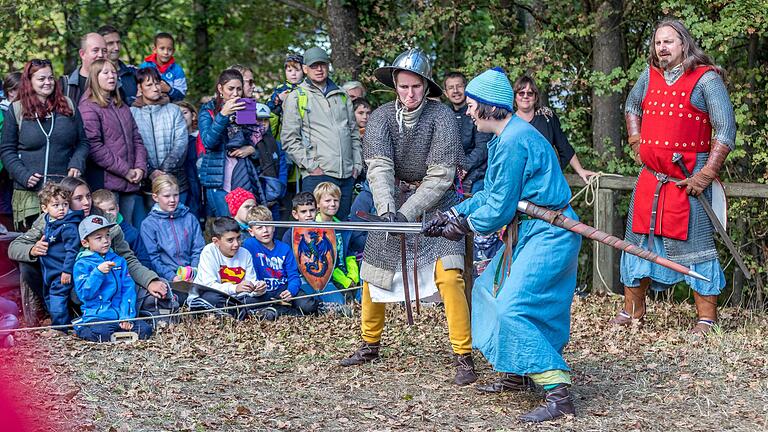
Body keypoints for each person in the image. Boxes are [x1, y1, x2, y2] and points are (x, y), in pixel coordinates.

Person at [423, 67, 581, 422]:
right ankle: (517, 370)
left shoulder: (514, 141)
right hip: (530, 230)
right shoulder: (504, 138)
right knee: (486, 291)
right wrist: (451, 212)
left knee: (513, 307)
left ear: (489, 107)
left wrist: (462, 226)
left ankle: (559, 395)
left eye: (472, 103)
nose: (466, 110)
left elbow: (498, 207)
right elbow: (490, 194)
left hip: (551, 232)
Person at [338, 48, 476, 385]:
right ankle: (370, 344)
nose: (410, 93)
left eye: (416, 87)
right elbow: (380, 168)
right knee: (373, 272)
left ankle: (464, 356)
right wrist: (387, 212)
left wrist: (407, 212)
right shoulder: (382, 117)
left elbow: (442, 175)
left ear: (426, 87)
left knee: (450, 276)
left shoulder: (442, 117)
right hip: (392, 202)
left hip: (436, 206)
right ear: (395, 86)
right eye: (403, 87)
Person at [611, 19, 736, 334]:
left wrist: (706, 174)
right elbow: (631, 106)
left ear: (684, 44)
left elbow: (726, 130)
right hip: (651, 178)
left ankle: (706, 318)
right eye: (657, 43)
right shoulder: (649, 76)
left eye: (668, 42)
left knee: (697, 249)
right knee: (637, 242)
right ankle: (633, 309)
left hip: (687, 183)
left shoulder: (706, 79)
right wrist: (637, 141)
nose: (662, 48)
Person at [9, 176, 171, 326]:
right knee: (27, 265)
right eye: (78, 198)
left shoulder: (105, 222)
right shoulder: (49, 221)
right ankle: (51, 311)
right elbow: (15, 246)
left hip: (97, 287)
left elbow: (127, 259)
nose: (86, 202)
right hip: (60, 282)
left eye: (88, 196)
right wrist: (32, 249)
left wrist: (150, 280)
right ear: (66, 201)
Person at [0, 59, 89, 231]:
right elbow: (6, 150)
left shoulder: (68, 106)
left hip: (63, 192)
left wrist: (77, 162)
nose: (47, 82)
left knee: (64, 242)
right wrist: (23, 175)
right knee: (35, 245)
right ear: (29, 81)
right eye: (41, 79)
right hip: (29, 194)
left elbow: (83, 142)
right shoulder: (16, 109)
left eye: (50, 78)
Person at [280, 46, 362, 220]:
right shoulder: (297, 96)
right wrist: (312, 167)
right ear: (305, 69)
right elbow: (289, 139)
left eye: (322, 64)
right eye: (314, 65)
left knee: (341, 232)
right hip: (319, 175)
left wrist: (356, 166)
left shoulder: (342, 95)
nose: (319, 69)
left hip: (347, 175)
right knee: (316, 232)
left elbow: (353, 133)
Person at [79, 59, 148, 227]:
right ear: (95, 77)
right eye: (105, 72)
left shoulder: (121, 105)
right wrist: (126, 171)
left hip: (130, 181)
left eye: (113, 72)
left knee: (127, 230)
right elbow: (94, 146)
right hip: (106, 182)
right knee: (109, 230)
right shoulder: (88, 107)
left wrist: (140, 167)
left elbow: (136, 138)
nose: (112, 76)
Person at [73, 214, 153, 342]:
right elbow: (85, 294)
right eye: (98, 238)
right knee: (102, 333)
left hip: (120, 316)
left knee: (145, 330)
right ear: (85, 242)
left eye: (107, 235)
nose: (105, 241)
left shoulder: (119, 261)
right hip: (97, 317)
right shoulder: (82, 264)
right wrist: (98, 273)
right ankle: (81, 326)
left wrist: (126, 316)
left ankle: (119, 329)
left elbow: (128, 289)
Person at [198, 69, 258, 217]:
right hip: (218, 178)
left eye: (239, 89)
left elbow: (257, 140)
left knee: (246, 223)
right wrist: (223, 115)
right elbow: (208, 143)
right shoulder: (208, 111)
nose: (235, 93)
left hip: (243, 175)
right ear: (220, 89)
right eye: (230, 89)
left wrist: (252, 149)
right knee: (226, 225)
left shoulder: (246, 107)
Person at [513, 76, 595, 184]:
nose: (525, 96)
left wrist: (580, 170)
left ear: (535, 97)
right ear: (515, 97)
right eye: (521, 93)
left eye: (530, 93)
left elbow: (564, 146)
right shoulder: (509, 123)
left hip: (546, 182)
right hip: (518, 183)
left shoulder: (547, 118)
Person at [243, 205, 319, 318]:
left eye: (268, 226)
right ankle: (288, 312)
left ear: (273, 226)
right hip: (262, 293)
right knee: (247, 303)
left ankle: (285, 310)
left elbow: (293, 276)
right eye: (259, 228)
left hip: (283, 289)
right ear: (251, 231)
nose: (265, 230)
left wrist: (291, 291)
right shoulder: (248, 245)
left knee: (308, 305)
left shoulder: (284, 248)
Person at [130, 67, 189, 207]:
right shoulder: (131, 113)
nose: (156, 88)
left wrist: (165, 170)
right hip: (146, 184)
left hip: (175, 180)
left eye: (157, 83)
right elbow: (132, 145)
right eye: (149, 85)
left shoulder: (173, 110)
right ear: (140, 87)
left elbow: (181, 142)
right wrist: (150, 171)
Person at [190, 216, 269, 319]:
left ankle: (237, 313)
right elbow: (209, 285)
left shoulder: (245, 254)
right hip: (212, 296)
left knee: (266, 296)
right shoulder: (209, 252)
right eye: (230, 240)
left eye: (238, 238)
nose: (236, 244)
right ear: (216, 241)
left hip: (238, 298)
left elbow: (250, 283)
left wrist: (258, 288)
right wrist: (235, 288)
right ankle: (246, 313)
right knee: (210, 298)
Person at [140, 175, 204, 282]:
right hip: (166, 278)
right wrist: (172, 277)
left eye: (176, 195)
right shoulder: (148, 224)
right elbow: (153, 258)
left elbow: (198, 248)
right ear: (155, 197)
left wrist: (193, 271)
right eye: (166, 196)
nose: (172, 200)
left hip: (193, 275)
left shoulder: (190, 218)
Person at [37, 182, 83, 327]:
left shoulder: (68, 226)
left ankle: (60, 328)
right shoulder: (50, 222)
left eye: (65, 204)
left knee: (57, 297)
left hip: (61, 271)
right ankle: (59, 323)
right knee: (49, 297)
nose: (62, 209)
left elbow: (72, 250)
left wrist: (67, 271)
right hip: (49, 270)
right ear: (45, 208)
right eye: (56, 205)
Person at [443, 71, 493, 193]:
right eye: (451, 87)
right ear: (445, 93)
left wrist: (464, 166)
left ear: (466, 88)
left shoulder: (477, 111)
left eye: (459, 86)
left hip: (477, 173)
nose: (455, 91)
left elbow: (483, 147)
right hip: (450, 173)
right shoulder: (442, 114)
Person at [313, 182, 359, 307]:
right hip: (328, 279)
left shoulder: (342, 227)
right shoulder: (313, 230)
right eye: (327, 201)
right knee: (340, 305)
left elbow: (350, 254)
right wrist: (345, 281)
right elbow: (322, 264)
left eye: (335, 200)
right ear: (317, 204)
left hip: (346, 277)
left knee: (364, 301)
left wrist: (353, 277)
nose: (332, 204)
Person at [91, 188, 151, 267]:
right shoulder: (90, 233)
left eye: (111, 209)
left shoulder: (131, 232)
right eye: (103, 211)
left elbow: (144, 259)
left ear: (118, 208)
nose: (109, 214)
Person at [174, 100, 203, 218]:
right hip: (183, 186)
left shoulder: (200, 137)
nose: (181, 117)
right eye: (177, 114)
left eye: (184, 113)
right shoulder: (173, 142)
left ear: (193, 115)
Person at [97, 25, 138, 106]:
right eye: (110, 43)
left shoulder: (133, 72)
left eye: (118, 42)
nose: (116, 48)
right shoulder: (93, 75)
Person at [60, 33, 107, 104]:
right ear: (82, 54)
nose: (101, 55)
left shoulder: (113, 83)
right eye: (95, 50)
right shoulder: (65, 85)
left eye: (104, 51)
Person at [139, 32, 187, 102]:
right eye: (162, 48)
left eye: (169, 49)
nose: (166, 52)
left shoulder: (177, 70)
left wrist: (169, 90)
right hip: (147, 105)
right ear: (154, 49)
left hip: (170, 107)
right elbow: (138, 89)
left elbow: (181, 96)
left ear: (173, 51)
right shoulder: (145, 66)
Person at [267, 53, 304, 138]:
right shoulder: (281, 88)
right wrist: (278, 98)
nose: (293, 74)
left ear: (304, 71)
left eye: (297, 70)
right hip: (283, 129)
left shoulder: (307, 88)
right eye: (290, 71)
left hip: (303, 128)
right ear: (285, 72)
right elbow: (268, 106)